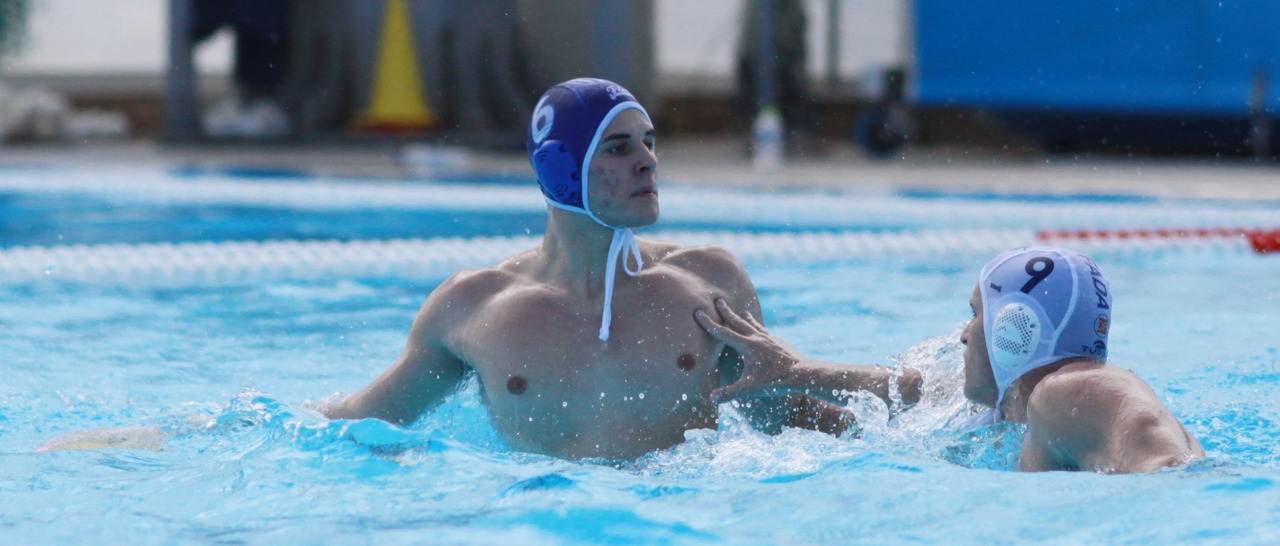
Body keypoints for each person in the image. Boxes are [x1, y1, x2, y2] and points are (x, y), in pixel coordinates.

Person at [321, 78, 904, 460]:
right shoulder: (472, 308)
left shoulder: (709, 282)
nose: (648, 162)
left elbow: (780, 415)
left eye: (649, 142)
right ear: (561, 168)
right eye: (620, 148)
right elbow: (362, 425)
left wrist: (915, 417)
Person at [696, 246, 1204, 474]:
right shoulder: (1003, 409)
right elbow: (903, 390)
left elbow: (1167, 465)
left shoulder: (1067, 392)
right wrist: (794, 371)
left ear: (1016, 329)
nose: (963, 333)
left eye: (978, 314)